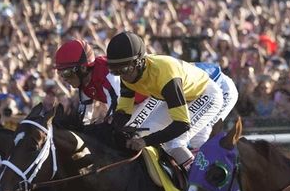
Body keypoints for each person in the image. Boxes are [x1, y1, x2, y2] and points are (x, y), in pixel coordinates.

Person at [105, 31, 224, 168]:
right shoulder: (128, 74)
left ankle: (195, 182)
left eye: (124, 69)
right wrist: (109, 130)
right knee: (140, 133)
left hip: (205, 94)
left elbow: (182, 124)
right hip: (179, 96)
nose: (122, 76)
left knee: (173, 143)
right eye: (115, 71)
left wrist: (146, 141)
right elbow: (123, 113)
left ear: (139, 62)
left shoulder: (163, 73)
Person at [54, 39, 120, 123]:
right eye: (60, 73)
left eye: (67, 73)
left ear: (83, 68)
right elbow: (84, 119)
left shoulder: (106, 75)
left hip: (138, 101)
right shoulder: (83, 83)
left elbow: (118, 112)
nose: (64, 78)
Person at [192, 62, 238, 149]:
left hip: (224, 90)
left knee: (200, 131)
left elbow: (214, 70)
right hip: (212, 91)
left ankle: (208, 158)